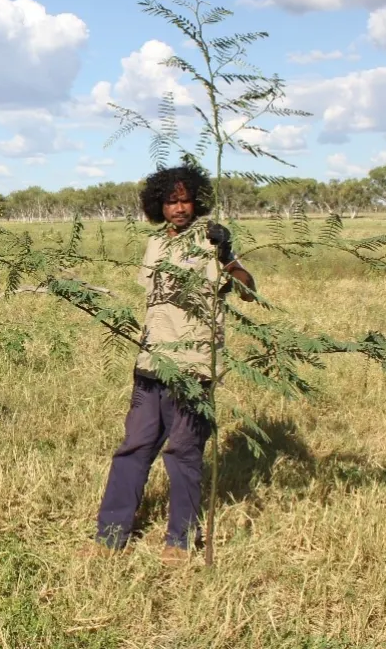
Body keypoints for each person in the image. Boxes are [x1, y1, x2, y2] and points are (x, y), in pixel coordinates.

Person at [91, 165, 255, 564]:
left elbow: (248, 290)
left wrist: (226, 255)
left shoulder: (210, 241)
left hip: (193, 366)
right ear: (158, 205)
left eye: (185, 200)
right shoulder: (154, 245)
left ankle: (180, 540)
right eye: (171, 200)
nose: (179, 208)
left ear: (197, 200)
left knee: (183, 451)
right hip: (151, 362)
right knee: (134, 447)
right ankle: (110, 535)